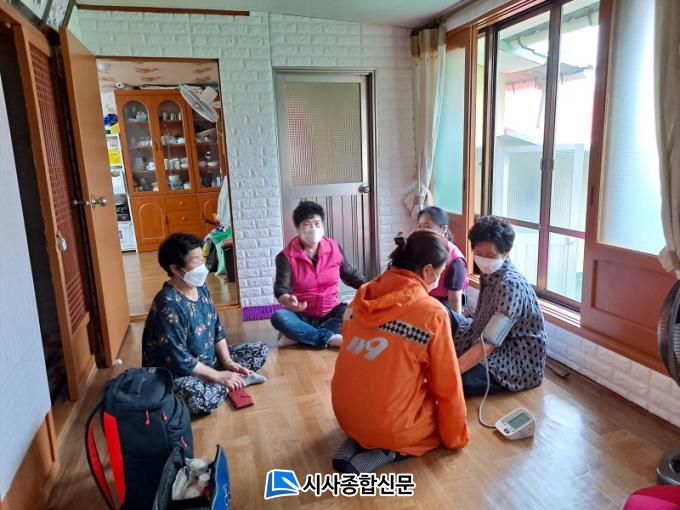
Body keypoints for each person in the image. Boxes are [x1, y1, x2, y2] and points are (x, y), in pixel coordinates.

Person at [331, 230, 469, 474]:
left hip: (345, 414)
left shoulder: (362, 295)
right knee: (434, 414)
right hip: (390, 426)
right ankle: (389, 450)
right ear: (427, 270)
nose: (438, 279)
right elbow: (447, 385)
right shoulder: (432, 313)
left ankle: (358, 438)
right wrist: (456, 439)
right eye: (440, 273)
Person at [142, 233, 269, 416]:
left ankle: (227, 381)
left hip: (209, 360)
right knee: (196, 397)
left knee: (259, 349)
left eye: (202, 259)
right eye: (196, 261)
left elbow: (216, 327)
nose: (203, 266)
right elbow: (179, 360)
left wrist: (228, 362)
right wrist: (218, 376)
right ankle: (229, 383)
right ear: (175, 268)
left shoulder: (200, 288)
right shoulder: (168, 304)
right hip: (179, 374)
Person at [453, 216, 547, 397]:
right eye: (478, 253)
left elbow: (490, 342)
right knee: (442, 315)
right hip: (477, 334)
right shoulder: (490, 273)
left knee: (452, 383)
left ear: (506, 252)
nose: (483, 259)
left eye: (490, 255)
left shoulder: (510, 286)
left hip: (512, 358)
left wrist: (451, 371)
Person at [271, 201, 366, 349]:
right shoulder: (285, 256)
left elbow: (350, 275)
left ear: (322, 225)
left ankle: (302, 336)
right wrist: (288, 300)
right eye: (307, 225)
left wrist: (372, 287)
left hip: (332, 312)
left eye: (317, 224)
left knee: (355, 310)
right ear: (297, 228)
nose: (313, 229)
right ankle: (330, 338)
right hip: (302, 315)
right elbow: (280, 289)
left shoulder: (334, 247)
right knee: (278, 317)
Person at [416, 206, 469, 313]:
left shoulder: (455, 259)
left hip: (444, 303)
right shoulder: (421, 248)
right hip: (423, 296)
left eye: (427, 226)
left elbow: (454, 299)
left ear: (443, 229)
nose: (422, 231)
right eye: (420, 226)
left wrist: (455, 320)